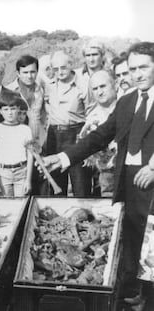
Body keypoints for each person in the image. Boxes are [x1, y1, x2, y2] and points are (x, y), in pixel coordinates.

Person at [40, 42, 154, 309]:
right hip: (128, 181)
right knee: (135, 240)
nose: (137, 74)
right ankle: (139, 295)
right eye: (133, 69)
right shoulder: (127, 102)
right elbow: (100, 136)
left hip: (152, 179)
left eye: (144, 68)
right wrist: (65, 156)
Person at [44, 50, 91, 196]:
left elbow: (91, 113)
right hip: (54, 136)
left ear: (70, 65)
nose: (60, 72)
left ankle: (82, 216)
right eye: (55, 69)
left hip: (76, 134)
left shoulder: (83, 85)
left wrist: (86, 140)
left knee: (80, 182)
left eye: (63, 67)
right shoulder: (49, 85)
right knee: (57, 183)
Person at [78, 70, 117, 197]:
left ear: (115, 85)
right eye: (95, 89)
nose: (99, 92)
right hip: (106, 173)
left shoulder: (127, 106)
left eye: (103, 86)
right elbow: (87, 148)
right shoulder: (91, 116)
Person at [0, 94, 33, 197]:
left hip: (21, 172)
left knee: (22, 206)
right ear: (0, 111)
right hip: (3, 174)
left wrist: (28, 180)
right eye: (6, 109)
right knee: (6, 207)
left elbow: (30, 156)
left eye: (13, 109)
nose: (9, 113)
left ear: (18, 109)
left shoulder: (25, 129)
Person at [6, 55, 46, 145]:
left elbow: (44, 115)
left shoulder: (41, 89)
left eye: (32, 72)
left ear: (37, 72)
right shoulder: (9, 91)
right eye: (25, 72)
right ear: (18, 73)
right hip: (16, 142)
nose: (29, 76)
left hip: (38, 141)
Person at [76, 39, 106, 107]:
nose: (91, 59)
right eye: (88, 55)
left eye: (95, 55)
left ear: (102, 56)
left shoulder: (109, 75)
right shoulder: (77, 76)